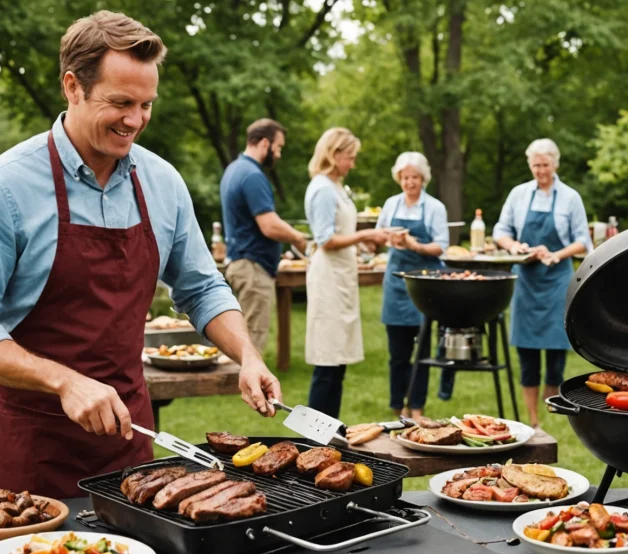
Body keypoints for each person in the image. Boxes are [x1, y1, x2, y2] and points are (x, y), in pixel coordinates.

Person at [0, 11, 281, 498]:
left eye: (146, 104)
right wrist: (67, 383)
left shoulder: (162, 181)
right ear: (73, 87)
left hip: (128, 442)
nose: (135, 120)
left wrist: (247, 356)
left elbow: (201, 286)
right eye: (120, 102)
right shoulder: (10, 185)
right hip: (28, 446)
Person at [493, 138, 592, 427]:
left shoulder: (570, 198)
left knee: (555, 354)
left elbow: (582, 242)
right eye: (535, 165)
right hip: (526, 281)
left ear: (555, 164)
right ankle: (532, 421)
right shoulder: (519, 195)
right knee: (527, 355)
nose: (540, 170)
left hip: (557, 281)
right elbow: (501, 230)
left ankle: (549, 416)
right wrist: (515, 248)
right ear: (530, 165)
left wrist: (555, 254)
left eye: (545, 164)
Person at [304, 128, 387, 417]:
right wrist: (367, 236)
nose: (353, 163)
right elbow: (325, 239)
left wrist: (364, 247)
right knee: (327, 361)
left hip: (341, 276)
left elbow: (342, 232)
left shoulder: (337, 186)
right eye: (349, 157)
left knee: (338, 360)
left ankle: (330, 431)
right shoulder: (322, 189)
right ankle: (314, 438)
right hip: (327, 278)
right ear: (333, 154)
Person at [221, 119, 308, 353]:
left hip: (242, 263)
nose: (278, 154)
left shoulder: (234, 169)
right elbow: (269, 225)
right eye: (278, 147)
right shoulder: (252, 175)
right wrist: (299, 238)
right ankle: (251, 391)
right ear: (264, 143)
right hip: (253, 268)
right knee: (252, 344)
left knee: (245, 339)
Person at [378, 152, 455, 418]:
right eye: (405, 177)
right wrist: (388, 240)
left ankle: (417, 409)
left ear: (423, 179)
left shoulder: (434, 207)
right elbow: (379, 235)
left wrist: (415, 245)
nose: (409, 182)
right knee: (397, 355)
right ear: (399, 178)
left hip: (424, 286)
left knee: (421, 353)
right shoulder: (391, 204)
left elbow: (440, 247)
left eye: (414, 177)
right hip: (396, 283)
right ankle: (397, 409)